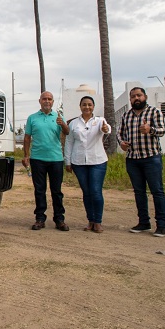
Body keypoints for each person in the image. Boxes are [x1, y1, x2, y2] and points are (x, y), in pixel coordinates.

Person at [117, 87, 165, 237]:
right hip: (133, 159)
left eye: (139, 95)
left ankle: (161, 224)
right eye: (133, 96)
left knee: (157, 191)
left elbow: (162, 130)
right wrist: (121, 143)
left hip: (151, 158)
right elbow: (119, 133)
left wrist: (150, 129)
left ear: (145, 97)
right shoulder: (126, 116)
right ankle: (144, 222)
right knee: (139, 192)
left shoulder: (154, 112)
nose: (136, 98)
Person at [22, 91, 70, 231]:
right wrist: (26, 155)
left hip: (56, 159)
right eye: (44, 99)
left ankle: (59, 219)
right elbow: (27, 138)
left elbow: (67, 132)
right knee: (39, 190)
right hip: (37, 159)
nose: (47, 101)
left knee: (57, 191)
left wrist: (63, 124)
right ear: (40, 101)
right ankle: (40, 218)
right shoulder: (32, 118)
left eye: (49, 99)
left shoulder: (58, 117)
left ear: (53, 102)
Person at [64, 96, 110, 233]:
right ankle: (90, 220)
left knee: (96, 191)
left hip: (97, 161)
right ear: (80, 106)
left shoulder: (100, 121)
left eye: (90, 105)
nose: (87, 107)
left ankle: (98, 221)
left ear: (93, 107)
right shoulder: (73, 124)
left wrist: (106, 128)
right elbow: (69, 142)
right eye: (84, 104)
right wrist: (67, 161)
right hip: (79, 162)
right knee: (86, 192)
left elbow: (106, 129)